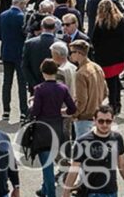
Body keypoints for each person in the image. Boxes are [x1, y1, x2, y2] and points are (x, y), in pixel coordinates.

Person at [62, 105, 124, 197]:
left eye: (108, 121)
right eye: (101, 121)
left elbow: (122, 164)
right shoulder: (83, 142)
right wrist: (65, 193)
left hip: (111, 192)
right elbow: (74, 169)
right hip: (91, 192)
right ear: (94, 120)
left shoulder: (117, 138)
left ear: (113, 120)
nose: (104, 124)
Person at [31, 60, 76, 197]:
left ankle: (50, 193)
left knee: (47, 165)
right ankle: (45, 190)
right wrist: (61, 112)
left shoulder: (39, 89)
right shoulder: (63, 88)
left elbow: (35, 112)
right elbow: (72, 108)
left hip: (43, 130)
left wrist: (31, 103)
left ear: (43, 72)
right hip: (58, 128)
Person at [0, 0, 29, 121]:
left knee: (7, 82)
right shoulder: (22, 17)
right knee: (22, 83)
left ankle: (6, 111)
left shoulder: (3, 15)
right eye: (24, 4)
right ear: (20, 4)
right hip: (20, 53)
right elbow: (26, 34)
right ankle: (23, 111)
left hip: (6, 52)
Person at [69, 39, 107, 137]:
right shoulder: (97, 67)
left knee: (82, 149)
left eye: (72, 52)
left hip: (84, 119)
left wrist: (74, 115)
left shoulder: (80, 73)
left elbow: (82, 100)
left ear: (78, 53)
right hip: (96, 115)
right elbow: (105, 92)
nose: (70, 55)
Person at [22, 16, 57, 96]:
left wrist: (34, 84)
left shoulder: (29, 43)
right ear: (54, 27)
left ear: (41, 26)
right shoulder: (60, 44)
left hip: (35, 87)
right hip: (55, 88)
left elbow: (24, 66)